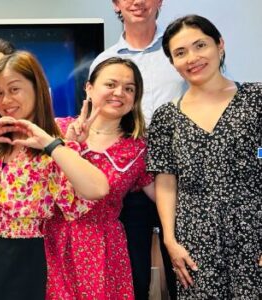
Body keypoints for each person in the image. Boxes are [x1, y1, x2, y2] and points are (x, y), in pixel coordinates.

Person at [0, 51, 110, 299]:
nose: (5, 100)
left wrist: (50, 145)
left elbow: (97, 189)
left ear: (36, 87)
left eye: (14, 89)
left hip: (27, 256)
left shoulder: (55, 141)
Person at [149, 14, 261, 299]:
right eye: (180, 52)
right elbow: (165, 182)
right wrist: (171, 241)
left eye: (201, 45)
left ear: (219, 45)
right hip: (195, 239)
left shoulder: (256, 99)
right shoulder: (166, 117)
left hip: (253, 231)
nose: (193, 58)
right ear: (172, 62)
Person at [90, 1, 186, 297]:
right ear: (115, 4)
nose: (138, 2)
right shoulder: (104, 61)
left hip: (179, 180)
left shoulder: (180, 54)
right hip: (128, 184)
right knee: (133, 278)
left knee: (185, 274)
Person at [45, 57, 154, 299]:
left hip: (105, 249)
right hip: (51, 242)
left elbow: (164, 196)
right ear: (89, 88)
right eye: (111, 84)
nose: (119, 93)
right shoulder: (56, 130)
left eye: (129, 89)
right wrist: (71, 144)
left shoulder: (138, 149)